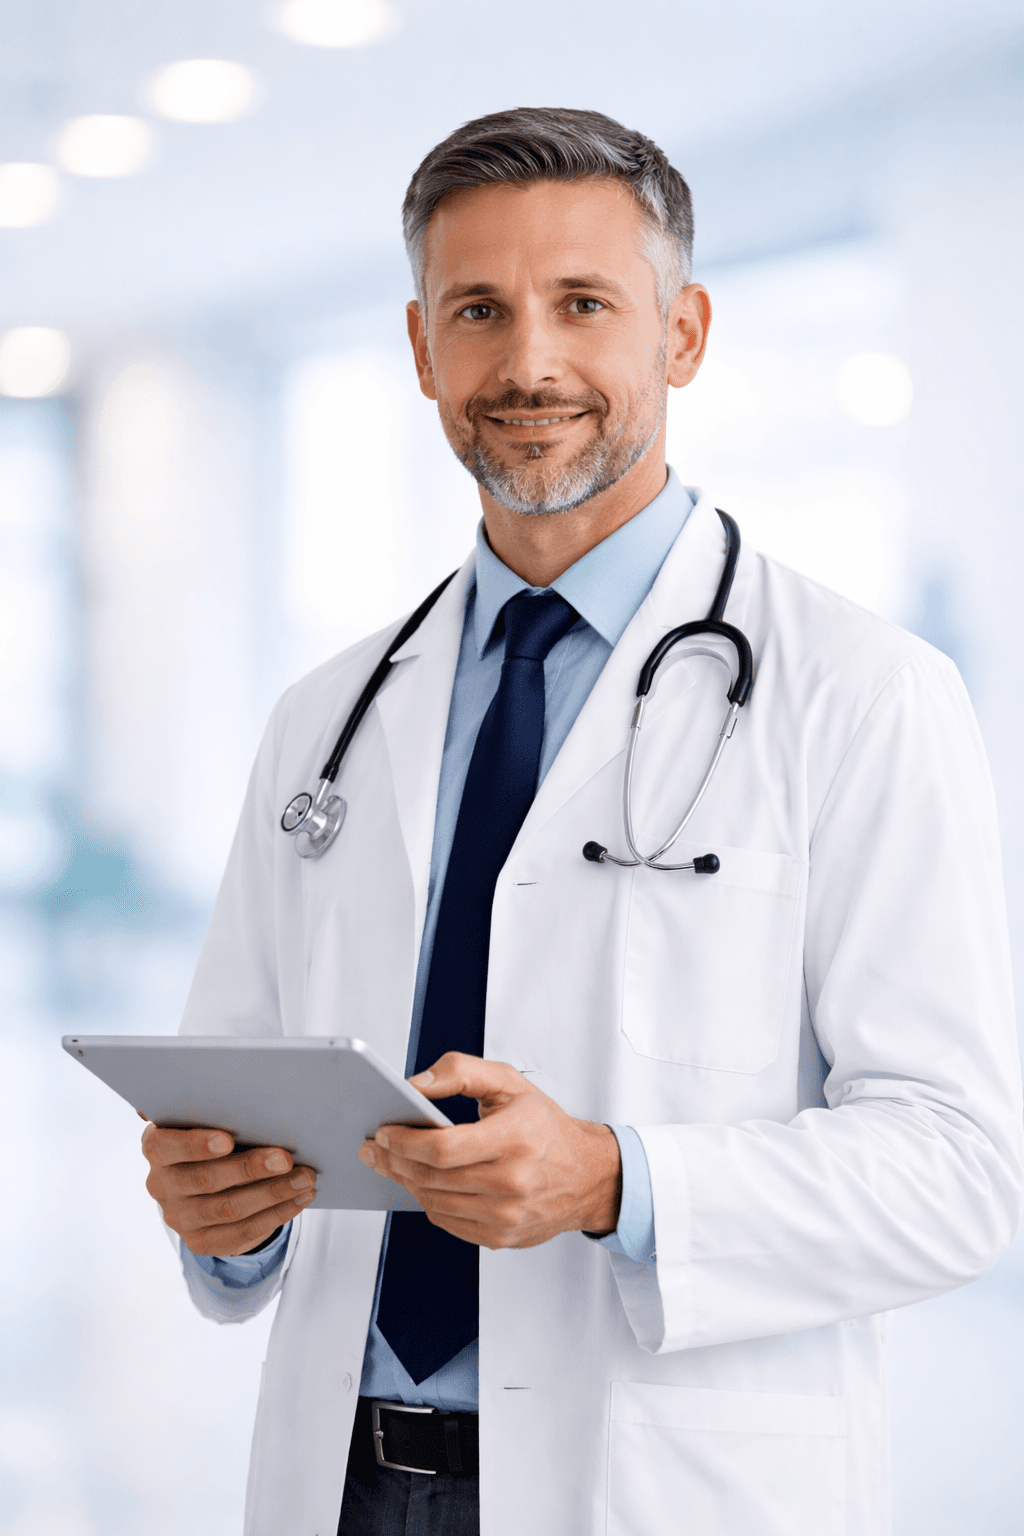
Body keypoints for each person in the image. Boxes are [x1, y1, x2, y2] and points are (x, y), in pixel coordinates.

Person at [140, 108, 1024, 1536]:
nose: (528, 362)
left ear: (683, 334)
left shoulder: (862, 693)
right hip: (345, 1478)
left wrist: (618, 1179)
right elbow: (244, 1105)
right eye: (477, 311)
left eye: (585, 305)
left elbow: (961, 1173)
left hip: (667, 1488)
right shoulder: (328, 714)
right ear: (423, 351)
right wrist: (223, 1219)